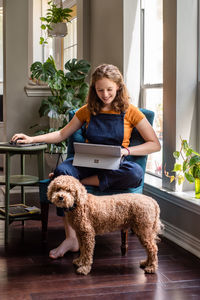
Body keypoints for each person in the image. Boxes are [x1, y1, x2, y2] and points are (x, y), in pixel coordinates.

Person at [11, 64, 161, 259]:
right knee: (63, 171)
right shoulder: (87, 110)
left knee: (135, 173)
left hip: (115, 165)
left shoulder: (131, 111)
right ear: (94, 90)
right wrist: (31, 138)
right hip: (86, 162)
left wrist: (127, 150)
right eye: (100, 90)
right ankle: (71, 239)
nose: (105, 94)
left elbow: (154, 144)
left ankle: (78, 184)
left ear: (118, 87)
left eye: (109, 89)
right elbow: (62, 133)